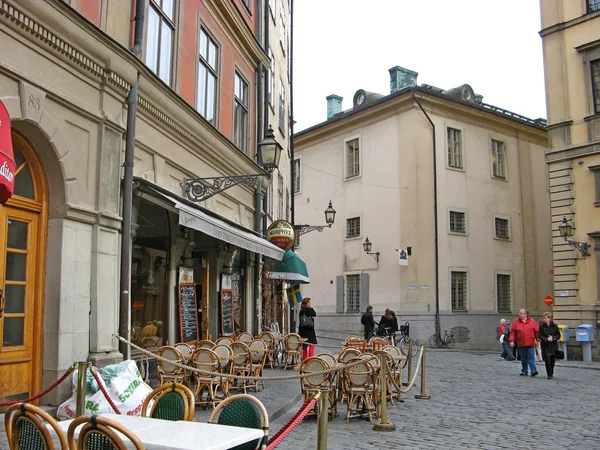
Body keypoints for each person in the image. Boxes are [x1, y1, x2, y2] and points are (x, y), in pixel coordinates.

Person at [509, 309, 539, 377]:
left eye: (521, 313)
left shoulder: (532, 321)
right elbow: (512, 332)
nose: (519, 314)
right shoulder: (516, 322)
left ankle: (533, 370)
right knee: (523, 358)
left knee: (531, 357)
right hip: (521, 343)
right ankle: (524, 370)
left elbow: (536, 331)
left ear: (526, 314)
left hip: (530, 343)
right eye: (519, 313)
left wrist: (537, 340)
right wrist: (511, 341)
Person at [539, 312, 561, 379]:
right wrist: (546, 339)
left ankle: (551, 371)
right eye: (543, 318)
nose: (544, 320)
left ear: (549, 318)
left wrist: (553, 338)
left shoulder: (554, 326)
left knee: (552, 360)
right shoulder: (542, 327)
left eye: (545, 318)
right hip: (545, 345)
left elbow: (558, 335)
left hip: (553, 345)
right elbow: (540, 335)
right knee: (547, 360)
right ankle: (549, 374)